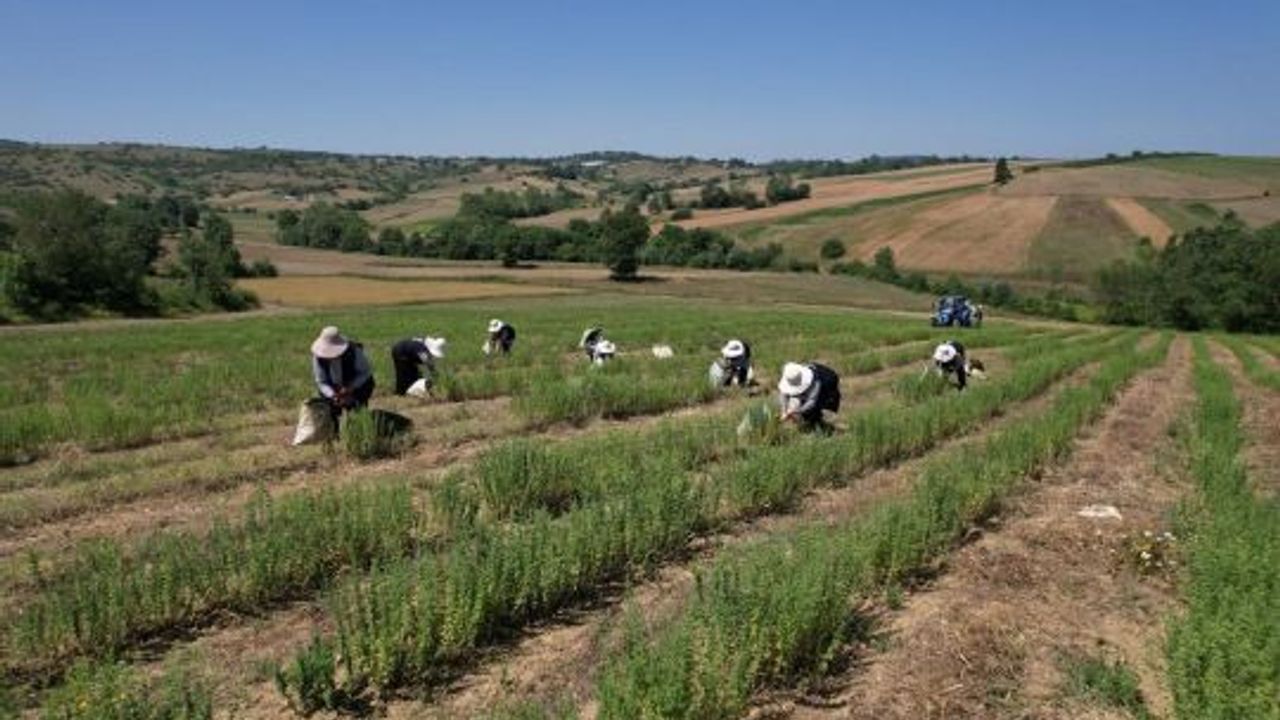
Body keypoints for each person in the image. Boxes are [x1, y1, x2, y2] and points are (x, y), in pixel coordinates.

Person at [311, 326, 375, 421]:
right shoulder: (318, 357)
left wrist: (351, 388)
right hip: (332, 389)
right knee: (331, 414)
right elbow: (321, 381)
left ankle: (360, 418)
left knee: (359, 414)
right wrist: (333, 395)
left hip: (354, 386)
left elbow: (365, 373)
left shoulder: (354, 351)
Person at [777, 361, 841, 431]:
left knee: (816, 408)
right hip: (811, 387)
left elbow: (811, 401)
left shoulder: (816, 382)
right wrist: (784, 411)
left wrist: (797, 411)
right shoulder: (791, 377)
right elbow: (783, 394)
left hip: (827, 384)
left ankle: (822, 425)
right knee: (799, 405)